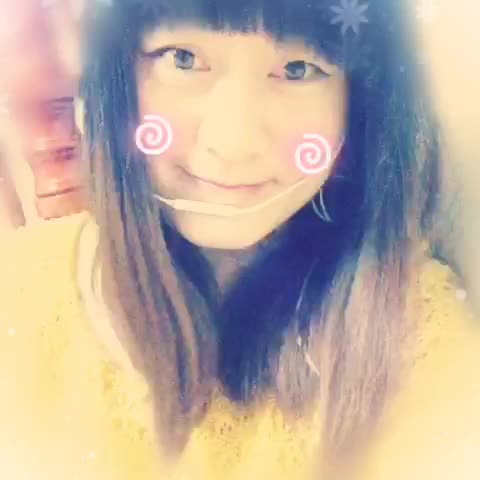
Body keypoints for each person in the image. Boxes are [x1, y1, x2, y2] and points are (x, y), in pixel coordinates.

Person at [0, 0, 479, 479]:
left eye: (298, 68)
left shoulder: (419, 340)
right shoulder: (19, 296)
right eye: (182, 58)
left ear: (361, 104)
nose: (233, 145)